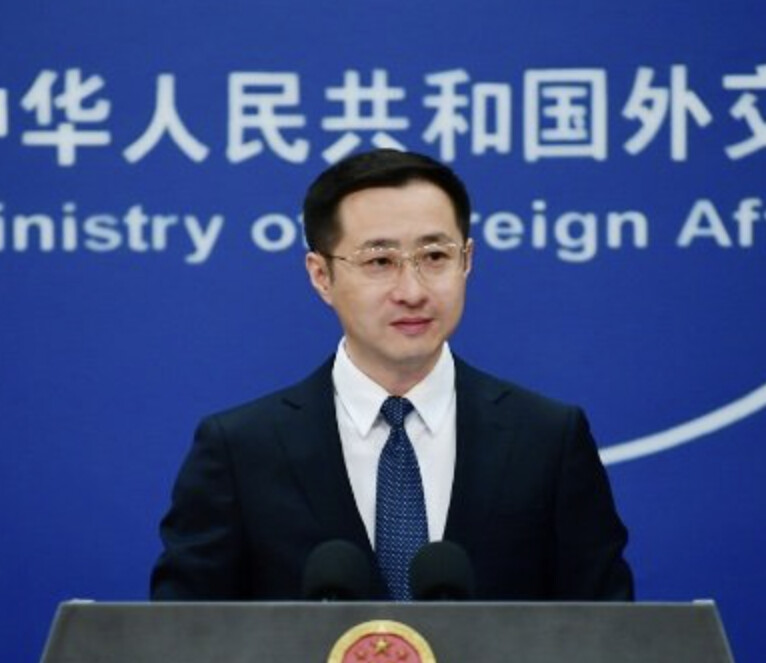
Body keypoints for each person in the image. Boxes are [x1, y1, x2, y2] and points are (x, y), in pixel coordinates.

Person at [151, 149, 633, 601]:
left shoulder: (547, 440)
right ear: (321, 276)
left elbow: (606, 634)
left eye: (435, 257)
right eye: (379, 261)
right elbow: (183, 638)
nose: (412, 291)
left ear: (467, 261)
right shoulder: (240, 450)